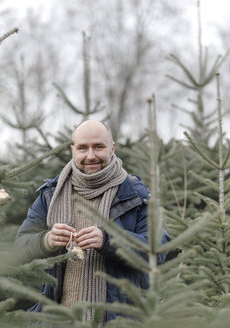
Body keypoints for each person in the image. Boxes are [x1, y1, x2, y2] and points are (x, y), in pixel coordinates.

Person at [15, 120, 169, 323]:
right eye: (82, 148)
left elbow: (157, 250)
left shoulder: (137, 196)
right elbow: (20, 246)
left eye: (98, 147)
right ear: (73, 150)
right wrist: (47, 241)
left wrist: (108, 240)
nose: (90, 156)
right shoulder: (50, 195)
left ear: (112, 148)